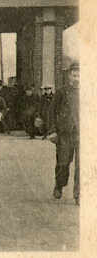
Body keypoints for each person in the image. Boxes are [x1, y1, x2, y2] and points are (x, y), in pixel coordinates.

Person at [48, 63, 79, 203]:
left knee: (82, 165)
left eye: (79, 75)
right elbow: (52, 111)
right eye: (74, 75)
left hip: (81, 134)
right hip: (64, 134)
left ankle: (79, 194)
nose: (77, 78)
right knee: (63, 163)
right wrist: (53, 130)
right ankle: (59, 185)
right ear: (69, 76)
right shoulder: (61, 92)